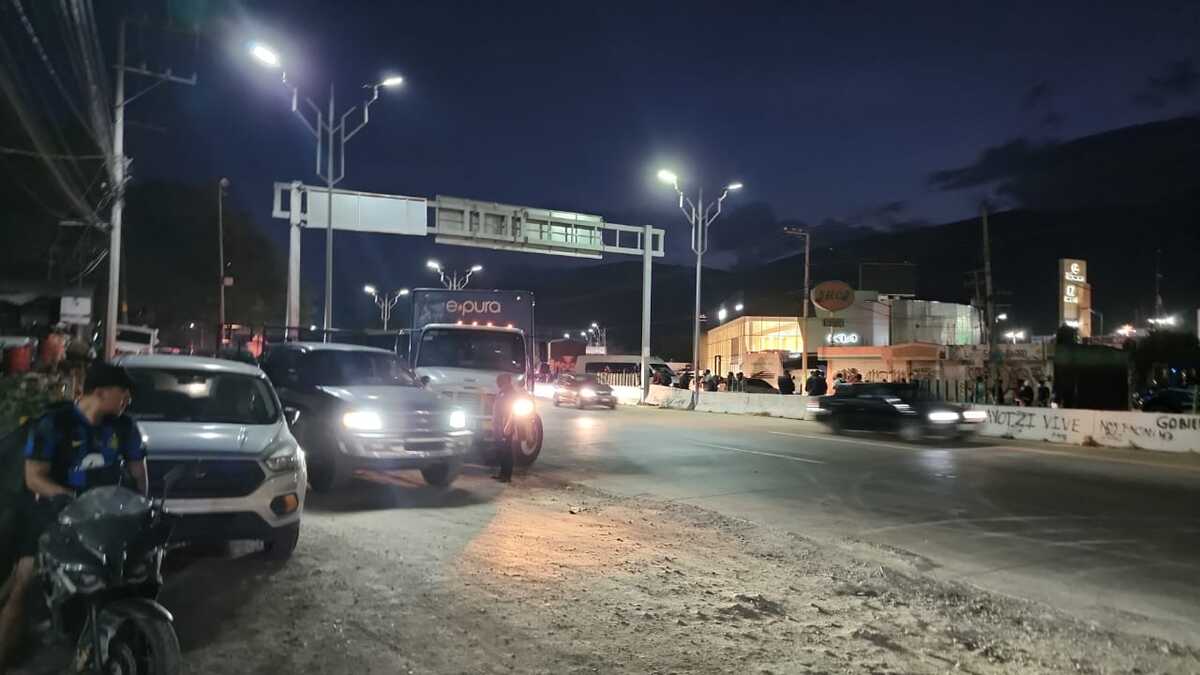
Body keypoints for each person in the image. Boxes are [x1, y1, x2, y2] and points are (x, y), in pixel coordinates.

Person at [0, 363, 147, 670]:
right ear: (101, 392)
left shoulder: (125, 427)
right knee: (25, 583)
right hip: (54, 514)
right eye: (124, 393)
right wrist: (69, 497)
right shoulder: (55, 424)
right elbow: (34, 478)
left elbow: (138, 475)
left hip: (106, 517)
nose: (128, 400)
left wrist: (140, 506)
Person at [492, 373, 522, 483]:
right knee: (502, 451)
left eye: (500, 382)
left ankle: (507, 476)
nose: (498, 384)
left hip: (506, 427)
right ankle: (502, 474)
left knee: (507, 451)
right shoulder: (502, 393)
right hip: (499, 426)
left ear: (506, 382)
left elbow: (512, 412)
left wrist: (508, 426)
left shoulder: (512, 394)